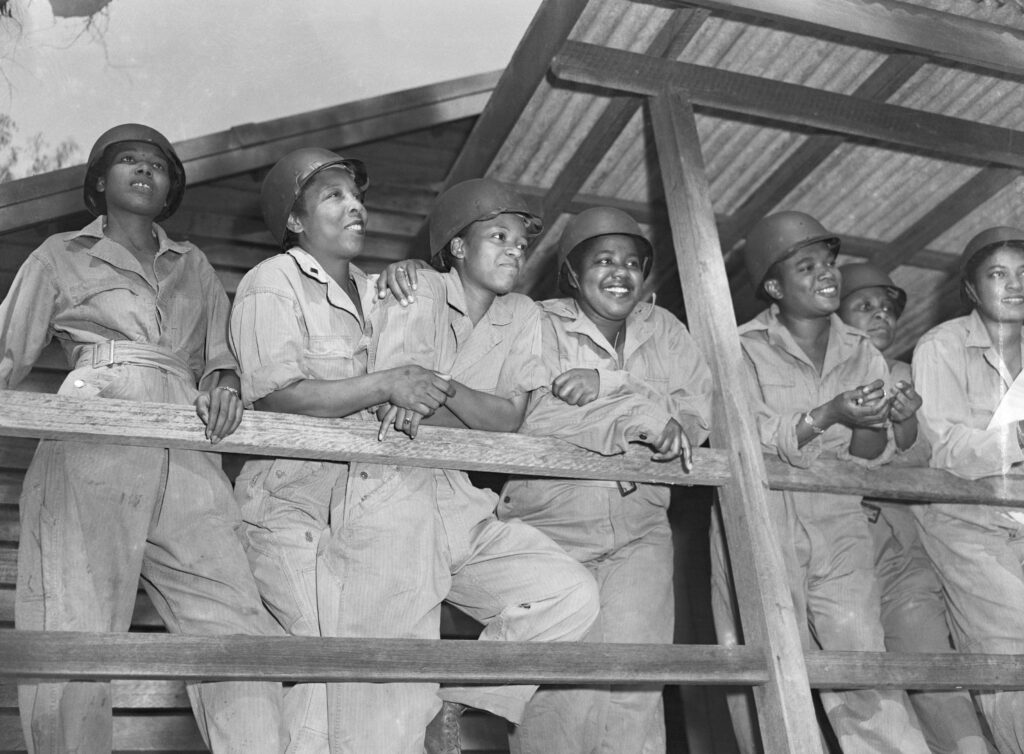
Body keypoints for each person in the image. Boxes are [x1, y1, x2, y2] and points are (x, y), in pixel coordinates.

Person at [231, 161, 598, 754]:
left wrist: (439, 388)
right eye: (497, 237)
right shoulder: (409, 288)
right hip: (384, 489)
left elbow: (505, 418)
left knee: (570, 592)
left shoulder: (522, 315)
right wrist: (422, 391)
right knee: (361, 690)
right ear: (456, 246)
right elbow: (396, 402)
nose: (514, 251)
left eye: (521, 242)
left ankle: (463, 704)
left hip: (454, 494)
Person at [1, 124, 284, 753]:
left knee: (234, 622)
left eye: (158, 166)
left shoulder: (194, 264)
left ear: (169, 191)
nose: (144, 171)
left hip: (186, 436)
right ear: (100, 182)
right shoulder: (60, 254)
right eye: (128, 161)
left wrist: (224, 382)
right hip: (98, 425)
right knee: (77, 628)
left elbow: (219, 356)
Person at [490, 206, 712, 754]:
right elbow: (534, 414)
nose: (620, 273)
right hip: (555, 527)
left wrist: (619, 392)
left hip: (641, 530)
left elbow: (695, 416)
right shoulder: (535, 322)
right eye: (604, 261)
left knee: (637, 683)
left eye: (633, 263)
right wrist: (629, 399)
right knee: (564, 690)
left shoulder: (664, 328)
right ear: (570, 272)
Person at [730, 210, 931, 753]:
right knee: (781, 669)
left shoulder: (862, 351)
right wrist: (829, 413)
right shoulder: (740, 347)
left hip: (839, 519)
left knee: (863, 669)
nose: (827, 274)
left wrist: (872, 422)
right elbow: (746, 431)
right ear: (773, 286)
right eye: (807, 265)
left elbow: (868, 459)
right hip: (767, 520)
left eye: (829, 262)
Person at [838, 262, 992, 754]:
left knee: (934, 670)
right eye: (864, 306)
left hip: (902, 546)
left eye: (887, 308)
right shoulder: (816, 372)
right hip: (833, 548)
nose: (880, 315)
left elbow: (930, 456)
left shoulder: (907, 374)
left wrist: (905, 426)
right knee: (868, 691)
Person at [913, 226, 1024, 754]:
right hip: (969, 526)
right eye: (998, 274)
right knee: (1013, 655)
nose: (1015, 285)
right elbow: (944, 448)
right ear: (973, 290)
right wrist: (1019, 436)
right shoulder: (942, 346)